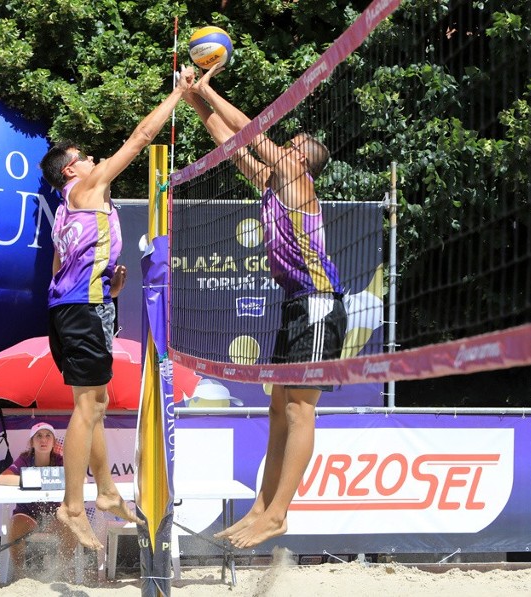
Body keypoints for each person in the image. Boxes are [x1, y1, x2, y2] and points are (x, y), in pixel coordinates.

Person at [184, 65, 347, 549]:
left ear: (301, 161)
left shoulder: (300, 184)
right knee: (278, 408)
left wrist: (210, 85)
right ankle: (262, 505)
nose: (285, 147)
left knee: (299, 411)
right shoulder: (275, 184)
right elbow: (231, 142)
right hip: (296, 305)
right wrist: (195, 98)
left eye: (292, 145)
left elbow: (252, 132)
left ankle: (278, 514)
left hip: (319, 306)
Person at [39, 65, 194, 550]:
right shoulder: (87, 189)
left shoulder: (66, 209)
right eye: (84, 158)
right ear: (71, 170)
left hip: (72, 310)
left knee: (97, 404)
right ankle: (71, 505)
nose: (92, 159)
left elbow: (60, 268)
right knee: (89, 406)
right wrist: (179, 94)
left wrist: (107, 285)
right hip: (80, 313)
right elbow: (141, 136)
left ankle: (106, 491)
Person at [0, 421, 73, 577]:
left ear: (54, 442)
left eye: (47, 436)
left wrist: (52, 479)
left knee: (73, 527)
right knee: (16, 525)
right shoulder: (24, 459)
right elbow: (1, 478)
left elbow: (82, 480)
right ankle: (21, 574)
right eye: (38, 436)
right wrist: (33, 479)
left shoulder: (60, 460)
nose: (43, 440)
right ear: (32, 442)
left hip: (55, 514)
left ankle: (58, 571)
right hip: (27, 514)